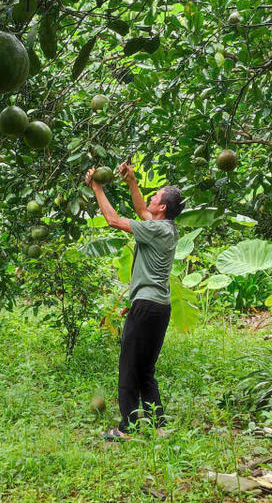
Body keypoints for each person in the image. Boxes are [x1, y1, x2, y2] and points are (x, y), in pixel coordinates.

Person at [84, 161, 185, 441]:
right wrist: (132, 182)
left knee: (129, 367)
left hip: (145, 305)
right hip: (160, 308)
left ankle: (126, 429)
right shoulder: (167, 228)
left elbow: (114, 220)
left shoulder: (155, 230)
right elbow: (142, 211)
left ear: (163, 207)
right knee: (146, 370)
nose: (152, 198)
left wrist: (97, 187)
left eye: (156, 196)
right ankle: (158, 424)